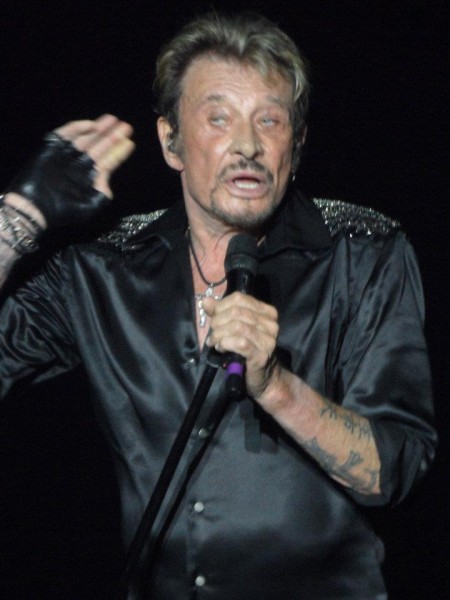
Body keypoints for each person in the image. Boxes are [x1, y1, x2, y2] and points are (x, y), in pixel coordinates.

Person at [0, 11, 437, 600]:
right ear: (171, 142)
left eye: (270, 120)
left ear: (296, 143)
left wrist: (275, 386)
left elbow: (395, 469)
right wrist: (16, 220)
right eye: (219, 118)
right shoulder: (102, 268)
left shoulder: (364, 253)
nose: (248, 145)